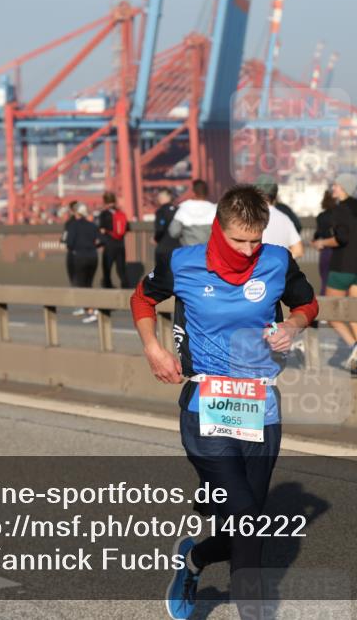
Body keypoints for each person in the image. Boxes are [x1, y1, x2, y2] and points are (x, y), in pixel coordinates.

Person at [130, 185, 318, 620]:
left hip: (261, 407)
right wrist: (153, 349)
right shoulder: (183, 263)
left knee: (245, 521)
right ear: (218, 228)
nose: (248, 250)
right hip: (205, 405)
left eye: (256, 239)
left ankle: (193, 559)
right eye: (239, 240)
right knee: (247, 517)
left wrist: (292, 325)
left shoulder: (275, 260)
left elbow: (308, 304)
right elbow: (142, 298)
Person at [311, 173, 357, 378]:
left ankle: (354, 345)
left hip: (341, 269)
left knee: (331, 314)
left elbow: (341, 238)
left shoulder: (339, 210)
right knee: (355, 318)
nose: (334, 189)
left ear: (345, 188)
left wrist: (322, 243)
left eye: (337, 186)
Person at [66, 203, 101, 323]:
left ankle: (91, 310)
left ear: (77, 213)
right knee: (89, 283)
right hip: (93, 257)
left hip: (80, 257)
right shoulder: (92, 225)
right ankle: (90, 307)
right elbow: (101, 240)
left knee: (80, 284)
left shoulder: (73, 225)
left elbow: (69, 242)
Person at [254, 175, 304, 258]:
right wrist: (279, 260)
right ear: (275, 195)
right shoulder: (285, 218)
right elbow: (299, 251)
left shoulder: (248, 216)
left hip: (255, 270)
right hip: (281, 269)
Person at [169, 179, 217, 246]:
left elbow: (174, 232)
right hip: (209, 253)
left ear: (193, 193)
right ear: (207, 193)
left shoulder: (183, 209)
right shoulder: (215, 209)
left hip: (189, 252)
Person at [98, 192, 130, 289]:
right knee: (121, 270)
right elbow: (127, 229)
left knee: (107, 270)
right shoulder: (121, 213)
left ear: (105, 201)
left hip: (109, 246)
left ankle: (108, 290)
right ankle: (126, 290)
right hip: (120, 245)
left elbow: (101, 230)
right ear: (114, 201)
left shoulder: (104, 214)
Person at [312, 188, 336, 297]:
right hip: (338, 251)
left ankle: (324, 305)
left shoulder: (321, 217)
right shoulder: (340, 215)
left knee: (325, 280)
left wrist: (315, 241)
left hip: (325, 251)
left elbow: (318, 234)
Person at [61, 200, 80, 314]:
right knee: (85, 281)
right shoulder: (88, 222)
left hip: (73, 254)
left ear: (71, 210)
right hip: (87, 254)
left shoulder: (69, 223)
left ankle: (78, 305)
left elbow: (64, 239)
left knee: (74, 280)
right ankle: (89, 306)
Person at [153, 188, 180, 267]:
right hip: (177, 247)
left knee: (162, 272)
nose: (158, 198)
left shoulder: (161, 211)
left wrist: (155, 239)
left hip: (164, 248)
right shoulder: (178, 210)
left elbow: (160, 229)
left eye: (160, 197)